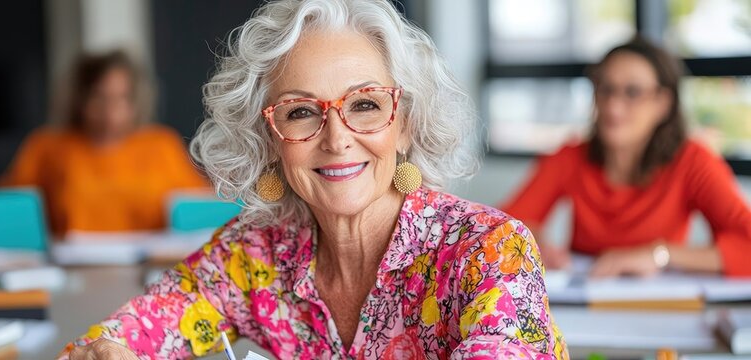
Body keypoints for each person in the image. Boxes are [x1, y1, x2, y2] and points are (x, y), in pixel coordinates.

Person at [62, 0, 568, 358]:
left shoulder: (490, 251)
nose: (337, 138)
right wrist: (109, 350)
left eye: (365, 104)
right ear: (269, 138)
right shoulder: (254, 255)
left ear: (406, 125)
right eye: (301, 112)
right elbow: (115, 339)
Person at [502, 37, 751, 278]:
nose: (613, 106)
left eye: (632, 92)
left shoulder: (693, 162)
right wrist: (535, 244)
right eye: (606, 89)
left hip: (661, 300)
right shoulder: (570, 157)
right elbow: (501, 228)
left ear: (663, 103)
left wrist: (660, 254)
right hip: (584, 298)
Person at [0, 50, 207, 235]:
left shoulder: (162, 145)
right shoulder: (47, 146)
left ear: (135, 100)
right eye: (99, 97)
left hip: (150, 261)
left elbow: (199, 206)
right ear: (80, 99)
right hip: (71, 261)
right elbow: (6, 210)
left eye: (121, 98)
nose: (110, 110)